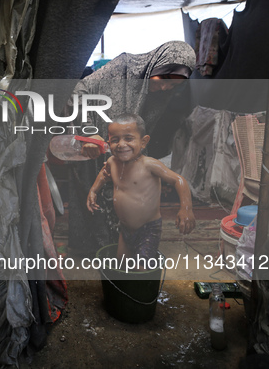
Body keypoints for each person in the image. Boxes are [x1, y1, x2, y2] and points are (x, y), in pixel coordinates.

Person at [63, 41, 196, 255]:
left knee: (124, 198)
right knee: (90, 199)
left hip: (123, 150)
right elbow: (78, 90)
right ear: (155, 65)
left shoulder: (161, 93)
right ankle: (95, 250)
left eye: (173, 85)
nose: (165, 88)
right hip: (93, 144)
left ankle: (121, 247)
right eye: (163, 79)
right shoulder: (124, 67)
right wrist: (88, 130)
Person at [87, 114, 195, 262]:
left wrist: (186, 209)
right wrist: (93, 190)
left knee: (142, 268)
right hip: (124, 227)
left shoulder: (149, 165)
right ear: (108, 143)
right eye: (115, 140)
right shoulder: (112, 161)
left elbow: (178, 180)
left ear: (143, 142)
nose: (121, 144)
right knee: (122, 263)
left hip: (148, 229)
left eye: (129, 138)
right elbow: (103, 175)